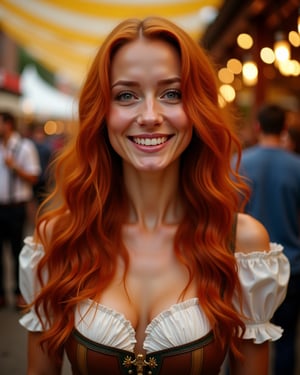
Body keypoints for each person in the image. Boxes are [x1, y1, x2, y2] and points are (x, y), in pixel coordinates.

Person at [19, 17, 289, 375]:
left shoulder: (243, 243)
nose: (149, 116)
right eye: (126, 95)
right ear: (101, 112)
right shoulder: (57, 239)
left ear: (198, 109)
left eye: (172, 93)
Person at [235, 104, 300, 375]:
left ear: (257, 127)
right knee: (286, 343)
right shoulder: (297, 166)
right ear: (284, 129)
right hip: (290, 268)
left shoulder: (238, 163)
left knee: (239, 343)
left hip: (243, 271)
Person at [0, 111, 41, 308]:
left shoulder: (24, 147)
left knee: (17, 251)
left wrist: (14, 167)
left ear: (8, 124)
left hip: (16, 207)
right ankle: (1, 294)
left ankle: (19, 294)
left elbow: (34, 177)